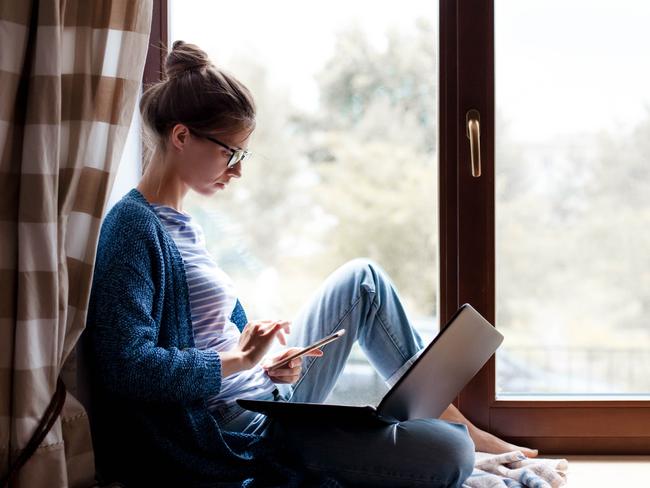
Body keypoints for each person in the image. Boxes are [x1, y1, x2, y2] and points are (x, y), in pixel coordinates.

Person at [86, 41, 537, 488]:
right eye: (231, 152)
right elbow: (125, 366)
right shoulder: (131, 227)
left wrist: (268, 363)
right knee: (450, 452)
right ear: (182, 136)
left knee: (363, 280)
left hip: (265, 399)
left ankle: (445, 421)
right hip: (234, 431)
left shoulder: (186, 225)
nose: (238, 169)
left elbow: (211, 333)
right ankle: (445, 437)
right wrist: (239, 360)